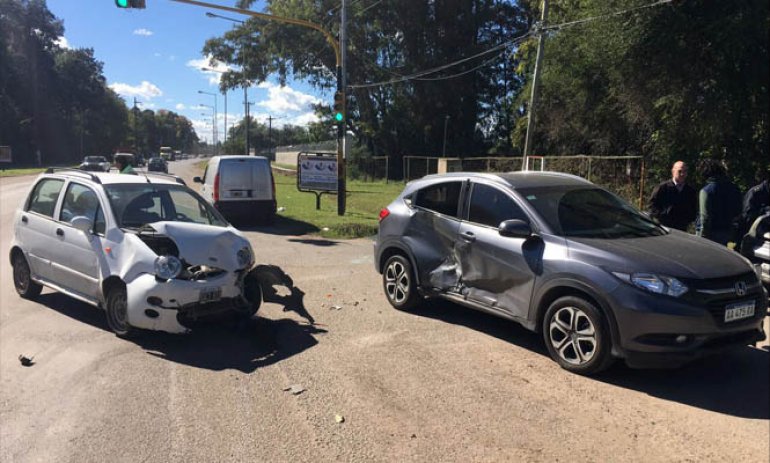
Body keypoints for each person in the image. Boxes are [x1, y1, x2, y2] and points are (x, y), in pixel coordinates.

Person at [696, 159, 742, 245]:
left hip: (711, 234)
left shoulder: (706, 191)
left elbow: (705, 218)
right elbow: (738, 211)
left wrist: (701, 237)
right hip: (728, 232)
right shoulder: (734, 188)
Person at [648, 160, 697, 231]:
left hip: (682, 228)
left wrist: (687, 219)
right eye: (679, 171)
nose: (682, 174)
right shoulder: (663, 188)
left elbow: (693, 209)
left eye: (685, 171)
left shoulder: (690, 191)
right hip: (665, 228)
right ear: (673, 172)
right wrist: (663, 216)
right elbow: (652, 205)